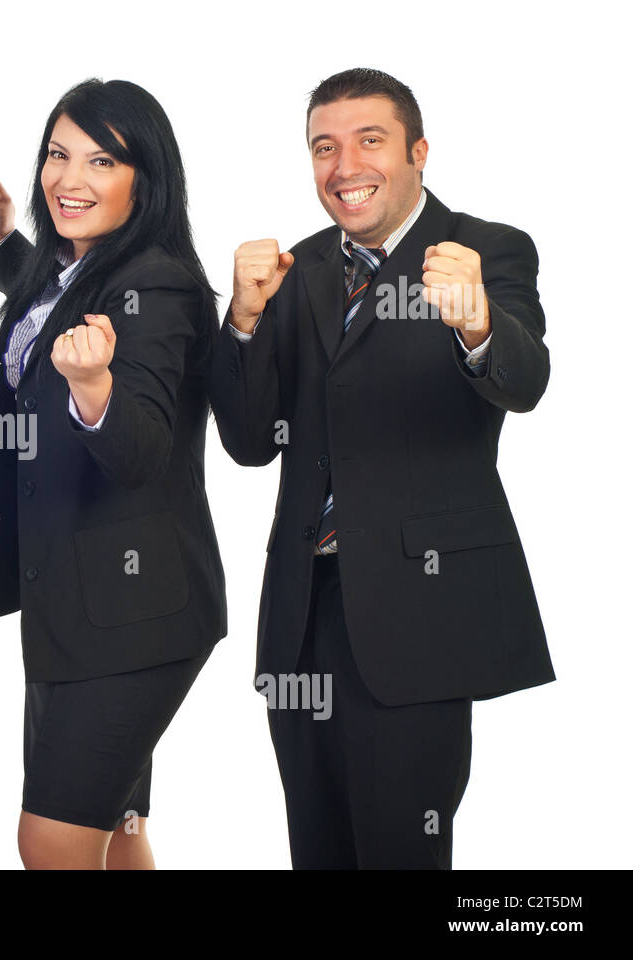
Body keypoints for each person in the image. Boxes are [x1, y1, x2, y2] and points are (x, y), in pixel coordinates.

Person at [209, 67, 554, 869]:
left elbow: (526, 382)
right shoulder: (297, 271)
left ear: (419, 151)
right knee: (317, 849)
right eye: (323, 148)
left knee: (402, 850)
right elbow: (250, 441)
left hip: (417, 613)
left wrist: (477, 323)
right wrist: (245, 321)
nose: (344, 167)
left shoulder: (486, 249)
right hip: (303, 614)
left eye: (369, 141)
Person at [0, 78, 226, 869]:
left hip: (130, 618)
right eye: (57, 154)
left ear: (143, 179)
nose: (68, 180)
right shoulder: (73, 266)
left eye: (100, 162)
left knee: (49, 839)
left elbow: (141, 448)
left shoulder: (161, 283)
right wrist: (7, 249)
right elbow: (63, 310)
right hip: (73, 606)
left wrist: (95, 389)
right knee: (118, 832)